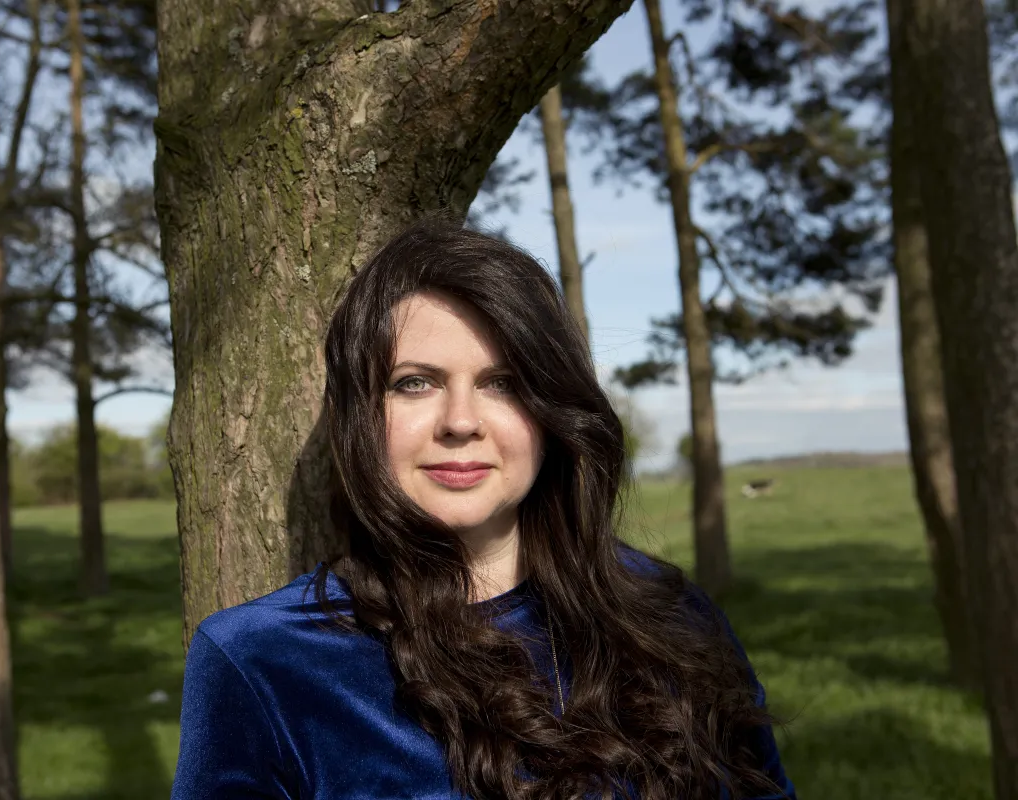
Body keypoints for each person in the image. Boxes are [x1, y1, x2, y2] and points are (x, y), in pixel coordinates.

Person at [170, 219, 797, 800]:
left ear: (552, 413)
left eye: (503, 382)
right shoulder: (261, 660)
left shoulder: (672, 617)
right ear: (360, 416)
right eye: (414, 382)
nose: (461, 422)